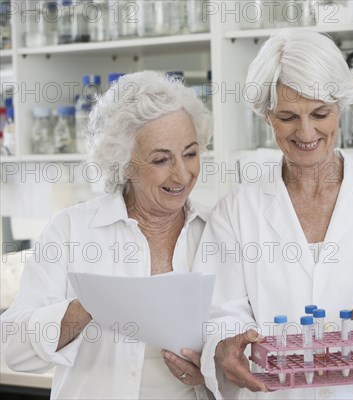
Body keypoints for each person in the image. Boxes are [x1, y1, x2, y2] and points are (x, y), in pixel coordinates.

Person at [165, 29, 353, 399]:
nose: (306, 131)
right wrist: (225, 345)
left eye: (320, 113)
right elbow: (218, 314)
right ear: (267, 116)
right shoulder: (236, 211)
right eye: (288, 116)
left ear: (340, 108)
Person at [0, 70, 212, 399]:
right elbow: (14, 347)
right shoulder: (72, 229)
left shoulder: (214, 231)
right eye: (161, 159)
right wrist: (88, 305)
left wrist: (210, 369)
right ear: (124, 162)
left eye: (190, 153)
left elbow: (238, 341)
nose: (182, 174)